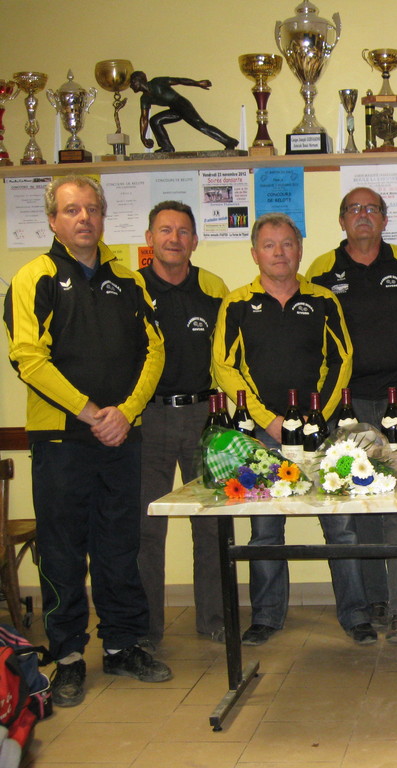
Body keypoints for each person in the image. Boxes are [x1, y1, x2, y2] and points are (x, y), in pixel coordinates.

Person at [4, 175, 171, 708]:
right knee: (62, 550)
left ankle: (123, 645)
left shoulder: (129, 280)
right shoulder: (33, 278)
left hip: (122, 434)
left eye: (92, 209)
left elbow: (155, 350)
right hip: (61, 438)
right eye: (72, 210)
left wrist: (126, 412)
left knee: (121, 544)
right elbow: (27, 357)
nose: (84, 218)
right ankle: (69, 656)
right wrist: (88, 411)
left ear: (103, 216)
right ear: (53, 220)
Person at [212, 213, 374, 646]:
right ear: (255, 253)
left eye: (287, 244)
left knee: (340, 525)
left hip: (322, 431)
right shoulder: (237, 303)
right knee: (265, 527)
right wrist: (268, 419)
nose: (279, 252)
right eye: (269, 245)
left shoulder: (323, 300)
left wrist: (317, 417)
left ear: (300, 250)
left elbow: (342, 360)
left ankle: (356, 614)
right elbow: (224, 367)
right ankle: (266, 616)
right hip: (262, 432)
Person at [306, 187, 397, 645]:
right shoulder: (321, 270)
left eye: (371, 209)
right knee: (360, 504)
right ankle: (375, 599)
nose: (363, 216)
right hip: (347, 404)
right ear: (342, 220)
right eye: (354, 209)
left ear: (384, 218)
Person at [138, 201, 228, 647]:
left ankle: (214, 619)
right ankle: (146, 630)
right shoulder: (131, 288)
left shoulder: (212, 288)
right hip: (147, 417)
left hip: (201, 415)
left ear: (195, 240)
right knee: (146, 528)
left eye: (183, 231)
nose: (174, 239)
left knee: (210, 523)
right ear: (149, 238)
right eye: (165, 230)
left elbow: (227, 354)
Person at [129, 71, 238, 153]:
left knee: (201, 126)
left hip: (181, 104)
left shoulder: (157, 82)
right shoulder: (145, 99)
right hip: (174, 109)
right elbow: (144, 118)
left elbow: (178, 80)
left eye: (132, 82)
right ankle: (167, 147)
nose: (131, 86)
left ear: (139, 80)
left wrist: (197, 83)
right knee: (155, 121)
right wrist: (143, 137)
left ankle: (229, 142)